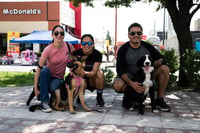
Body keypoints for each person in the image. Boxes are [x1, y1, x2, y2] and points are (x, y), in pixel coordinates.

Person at [113, 23, 171, 112]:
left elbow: (163, 58)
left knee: (164, 69)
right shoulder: (123, 49)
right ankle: (133, 100)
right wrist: (132, 84)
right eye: (133, 33)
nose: (136, 35)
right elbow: (120, 70)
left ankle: (159, 100)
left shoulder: (147, 47)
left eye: (138, 33)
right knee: (118, 85)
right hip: (130, 77)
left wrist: (159, 62)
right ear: (129, 35)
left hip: (147, 75)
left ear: (141, 35)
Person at [34, 25, 74, 113]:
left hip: (58, 78)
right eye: (56, 33)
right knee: (45, 70)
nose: (59, 35)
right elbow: (39, 69)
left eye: (61, 33)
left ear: (64, 35)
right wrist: (35, 87)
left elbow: (75, 58)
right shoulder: (48, 49)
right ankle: (44, 103)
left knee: (53, 87)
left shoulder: (68, 46)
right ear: (52, 35)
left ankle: (49, 97)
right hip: (47, 76)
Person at [72, 34, 105, 107]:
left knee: (100, 73)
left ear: (93, 44)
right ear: (81, 44)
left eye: (89, 43)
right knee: (76, 78)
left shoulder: (97, 54)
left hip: (91, 79)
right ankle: (80, 96)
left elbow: (94, 72)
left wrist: (83, 72)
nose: (86, 45)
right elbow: (73, 70)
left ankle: (99, 97)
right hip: (80, 79)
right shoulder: (76, 53)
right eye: (84, 43)